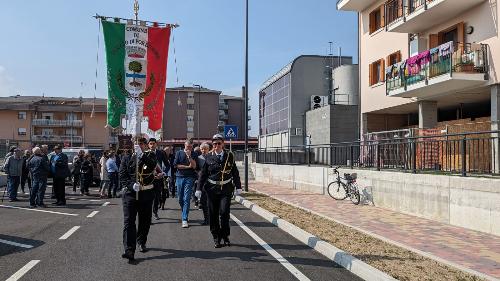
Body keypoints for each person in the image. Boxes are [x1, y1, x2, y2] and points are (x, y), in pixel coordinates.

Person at [120, 137, 164, 261]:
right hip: (130, 194)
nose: (138, 145)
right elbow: (122, 175)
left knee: (145, 221)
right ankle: (129, 250)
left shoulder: (150, 156)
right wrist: (131, 185)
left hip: (146, 193)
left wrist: (142, 155)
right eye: (136, 143)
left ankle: (141, 241)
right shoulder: (127, 157)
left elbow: (151, 166)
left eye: (141, 143)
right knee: (129, 222)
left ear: (145, 145)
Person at [197, 134, 242, 248]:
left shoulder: (229, 156)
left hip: (226, 188)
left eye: (219, 143)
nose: (216, 145)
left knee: (224, 212)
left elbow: (235, 172)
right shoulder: (208, 157)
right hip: (212, 189)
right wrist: (199, 189)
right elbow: (203, 174)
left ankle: (225, 235)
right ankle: (216, 237)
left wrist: (238, 186)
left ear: (223, 144)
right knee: (213, 214)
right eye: (214, 143)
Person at [173, 140, 197, 228]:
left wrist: (189, 156)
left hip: (190, 177)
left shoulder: (194, 154)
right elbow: (176, 165)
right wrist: (187, 167)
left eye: (191, 147)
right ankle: (184, 211)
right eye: (188, 147)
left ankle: (184, 219)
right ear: (184, 145)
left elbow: (194, 166)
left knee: (186, 198)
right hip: (179, 177)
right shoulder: (178, 153)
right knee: (180, 198)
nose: (189, 148)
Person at [147, 138, 169, 220]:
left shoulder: (161, 153)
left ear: (156, 144)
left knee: (156, 196)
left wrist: (163, 173)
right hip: (148, 179)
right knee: (148, 197)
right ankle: (148, 216)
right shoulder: (145, 153)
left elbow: (167, 165)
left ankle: (155, 211)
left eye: (153, 143)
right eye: (150, 144)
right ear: (148, 145)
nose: (152, 145)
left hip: (158, 178)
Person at [196, 142, 210, 225]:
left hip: (211, 182)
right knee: (203, 201)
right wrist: (199, 174)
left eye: (205, 149)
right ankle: (206, 219)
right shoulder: (198, 158)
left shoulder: (212, 157)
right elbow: (196, 168)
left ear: (208, 149)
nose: (203, 150)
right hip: (202, 182)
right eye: (202, 149)